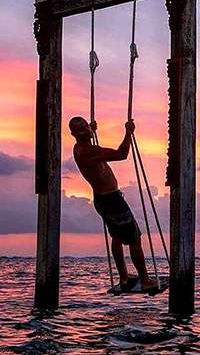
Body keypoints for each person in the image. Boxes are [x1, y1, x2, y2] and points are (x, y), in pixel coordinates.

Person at [68, 116, 158, 292]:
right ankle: (145, 280)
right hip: (112, 200)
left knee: (117, 237)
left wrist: (91, 130)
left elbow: (88, 138)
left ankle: (124, 277)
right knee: (134, 238)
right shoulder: (87, 151)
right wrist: (128, 133)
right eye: (81, 129)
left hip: (103, 199)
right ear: (73, 134)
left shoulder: (80, 147)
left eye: (86, 126)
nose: (86, 130)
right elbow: (121, 154)